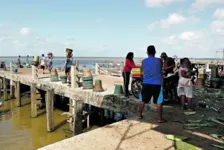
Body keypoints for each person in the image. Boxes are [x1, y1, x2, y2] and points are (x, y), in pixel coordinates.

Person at [138, 45, 166, 123]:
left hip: (146, 83)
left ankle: (140, 115)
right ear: (155, 52)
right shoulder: (159, 60)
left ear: (147, 52)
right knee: (159, 101)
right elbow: (160, 70)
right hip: (157, 83)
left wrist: (144, 79)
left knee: (142, 100)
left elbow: (141, 73)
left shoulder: (143, 61)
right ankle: (160, 118)